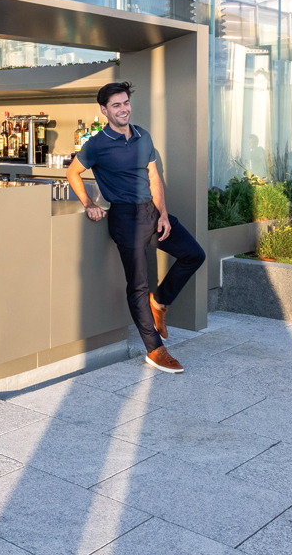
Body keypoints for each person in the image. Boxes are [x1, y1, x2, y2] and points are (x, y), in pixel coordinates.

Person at [66, 81, 205, 375]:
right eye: (116, 105)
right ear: (104, 110)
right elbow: (72, 172)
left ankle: (161, 300)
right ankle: (155, 350)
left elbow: (154, 176)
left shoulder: (143, 135)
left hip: (152, 213)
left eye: (125, 103)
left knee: (194, 254)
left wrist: (163, 214)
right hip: (125, 218)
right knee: (138, 285)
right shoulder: (97, 144)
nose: (123, 109)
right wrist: (89, 203)